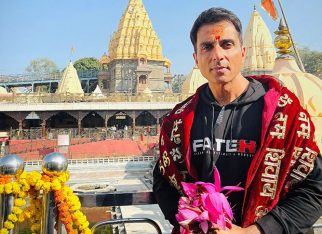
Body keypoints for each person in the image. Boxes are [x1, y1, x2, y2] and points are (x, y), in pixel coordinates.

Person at [153, 7, 322, 234]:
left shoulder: (283, 113)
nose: (217, 55)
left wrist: (254, 231)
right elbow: (164, 182)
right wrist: (195, 222)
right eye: (207, 46)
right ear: (196, 58)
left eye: (227, 44)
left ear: (243, 52)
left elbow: (314, 187)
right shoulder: (179, 121)